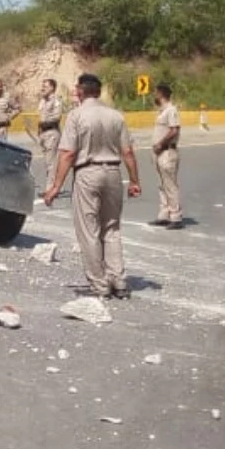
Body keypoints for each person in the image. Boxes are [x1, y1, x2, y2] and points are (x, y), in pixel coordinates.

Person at [43, 73, 142, 299]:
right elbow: (128, 152)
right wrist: (134, 180)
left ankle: (99, 284)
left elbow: (67, 153)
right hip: (113, 173)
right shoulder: (116, 116)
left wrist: (56, 186)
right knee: (112, 228)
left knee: (89, 230)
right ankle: (119, 281)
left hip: (88, 173)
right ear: (98, 91)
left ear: (80, 91)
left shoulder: (76, 116)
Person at [151, 83, 182, 228]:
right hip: (159, 153)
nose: (154, 95)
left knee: (170, 185)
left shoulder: (171, 110)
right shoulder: (162, 111)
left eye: (155, 93)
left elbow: (173, 130)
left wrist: (161, 144)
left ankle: (175, 217)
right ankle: (164, 214)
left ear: (161, 94)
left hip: (167, 151)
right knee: (162, 185)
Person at [36, 78, 64, 192]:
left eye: (46, 86)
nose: (43, 88)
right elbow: (40, 116)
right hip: (43, 133)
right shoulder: (43, 101)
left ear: (52, 88)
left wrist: (44, 122)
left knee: (51, 162)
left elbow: (57, 117)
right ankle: (55, 185)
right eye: (42, 86)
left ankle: (50, 188)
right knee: (47, 162)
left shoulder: (56, 100)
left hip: (52, 132)